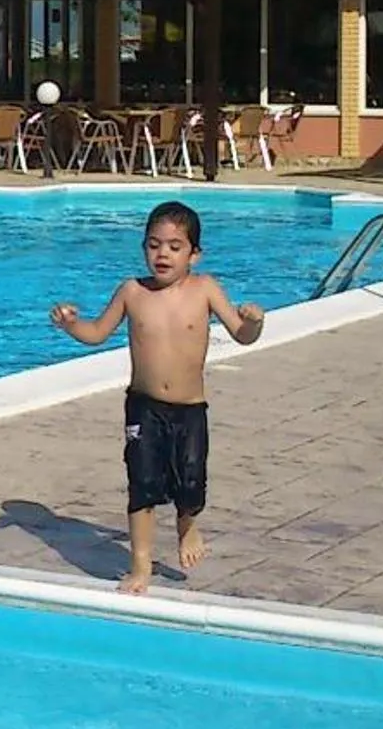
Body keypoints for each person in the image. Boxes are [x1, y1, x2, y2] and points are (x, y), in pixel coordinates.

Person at [49, 200, 266, 595]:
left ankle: (187, 525)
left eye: (174, 246)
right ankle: (140, 565)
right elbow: (97, 333)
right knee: (143, 483)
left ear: (194, 254)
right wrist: (71, 325)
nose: (162, 254)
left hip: (189, 409)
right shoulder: (132, 291)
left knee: (191, 482)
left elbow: (241, 334)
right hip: (143, 406)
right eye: (153, 244)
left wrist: (254, 322)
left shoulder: (205, 289)